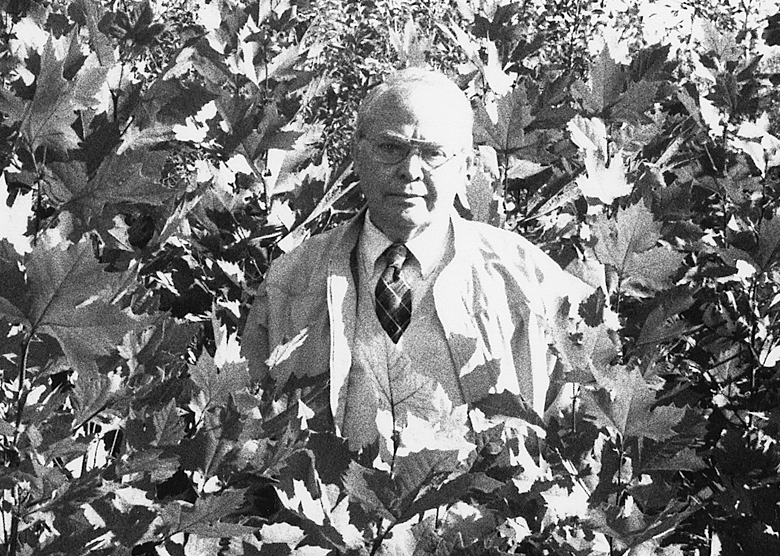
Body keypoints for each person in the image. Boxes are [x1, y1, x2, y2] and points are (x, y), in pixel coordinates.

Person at [243, 67, 589, 452]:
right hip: (325, 508)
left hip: (486, 510)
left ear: (466, 165)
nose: (409, 170)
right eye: (391, 148)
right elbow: (245, 435)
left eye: (432, 154)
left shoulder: (529, 281)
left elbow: (577, 441)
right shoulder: (291, 280)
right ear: (357, 153)